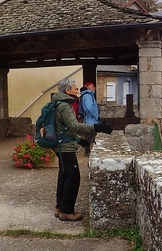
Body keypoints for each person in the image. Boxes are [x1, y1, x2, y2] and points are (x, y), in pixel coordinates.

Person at [52, 79, 112, 221]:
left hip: (61, 145)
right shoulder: (65, 106)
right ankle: (66, 211)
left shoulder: (57, 103)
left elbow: (64, 128)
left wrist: (79, 140)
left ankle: (60, 207)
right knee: (73, 178)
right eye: (75, 89)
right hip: (65, 147)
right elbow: (74, 126)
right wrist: (97, 127)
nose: (77, 91)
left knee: (64, 176)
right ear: (67, 91)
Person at [79, 82, 99, 157]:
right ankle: (87, 152)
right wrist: (95, 116)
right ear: (88, 88)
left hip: (89, 119)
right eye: (93, 86)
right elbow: (90, 107)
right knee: (89, 136)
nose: (95, 88)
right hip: (91, 120)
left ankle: (89, 151)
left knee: (91, 136)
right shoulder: (88, 96)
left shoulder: (87, 95)